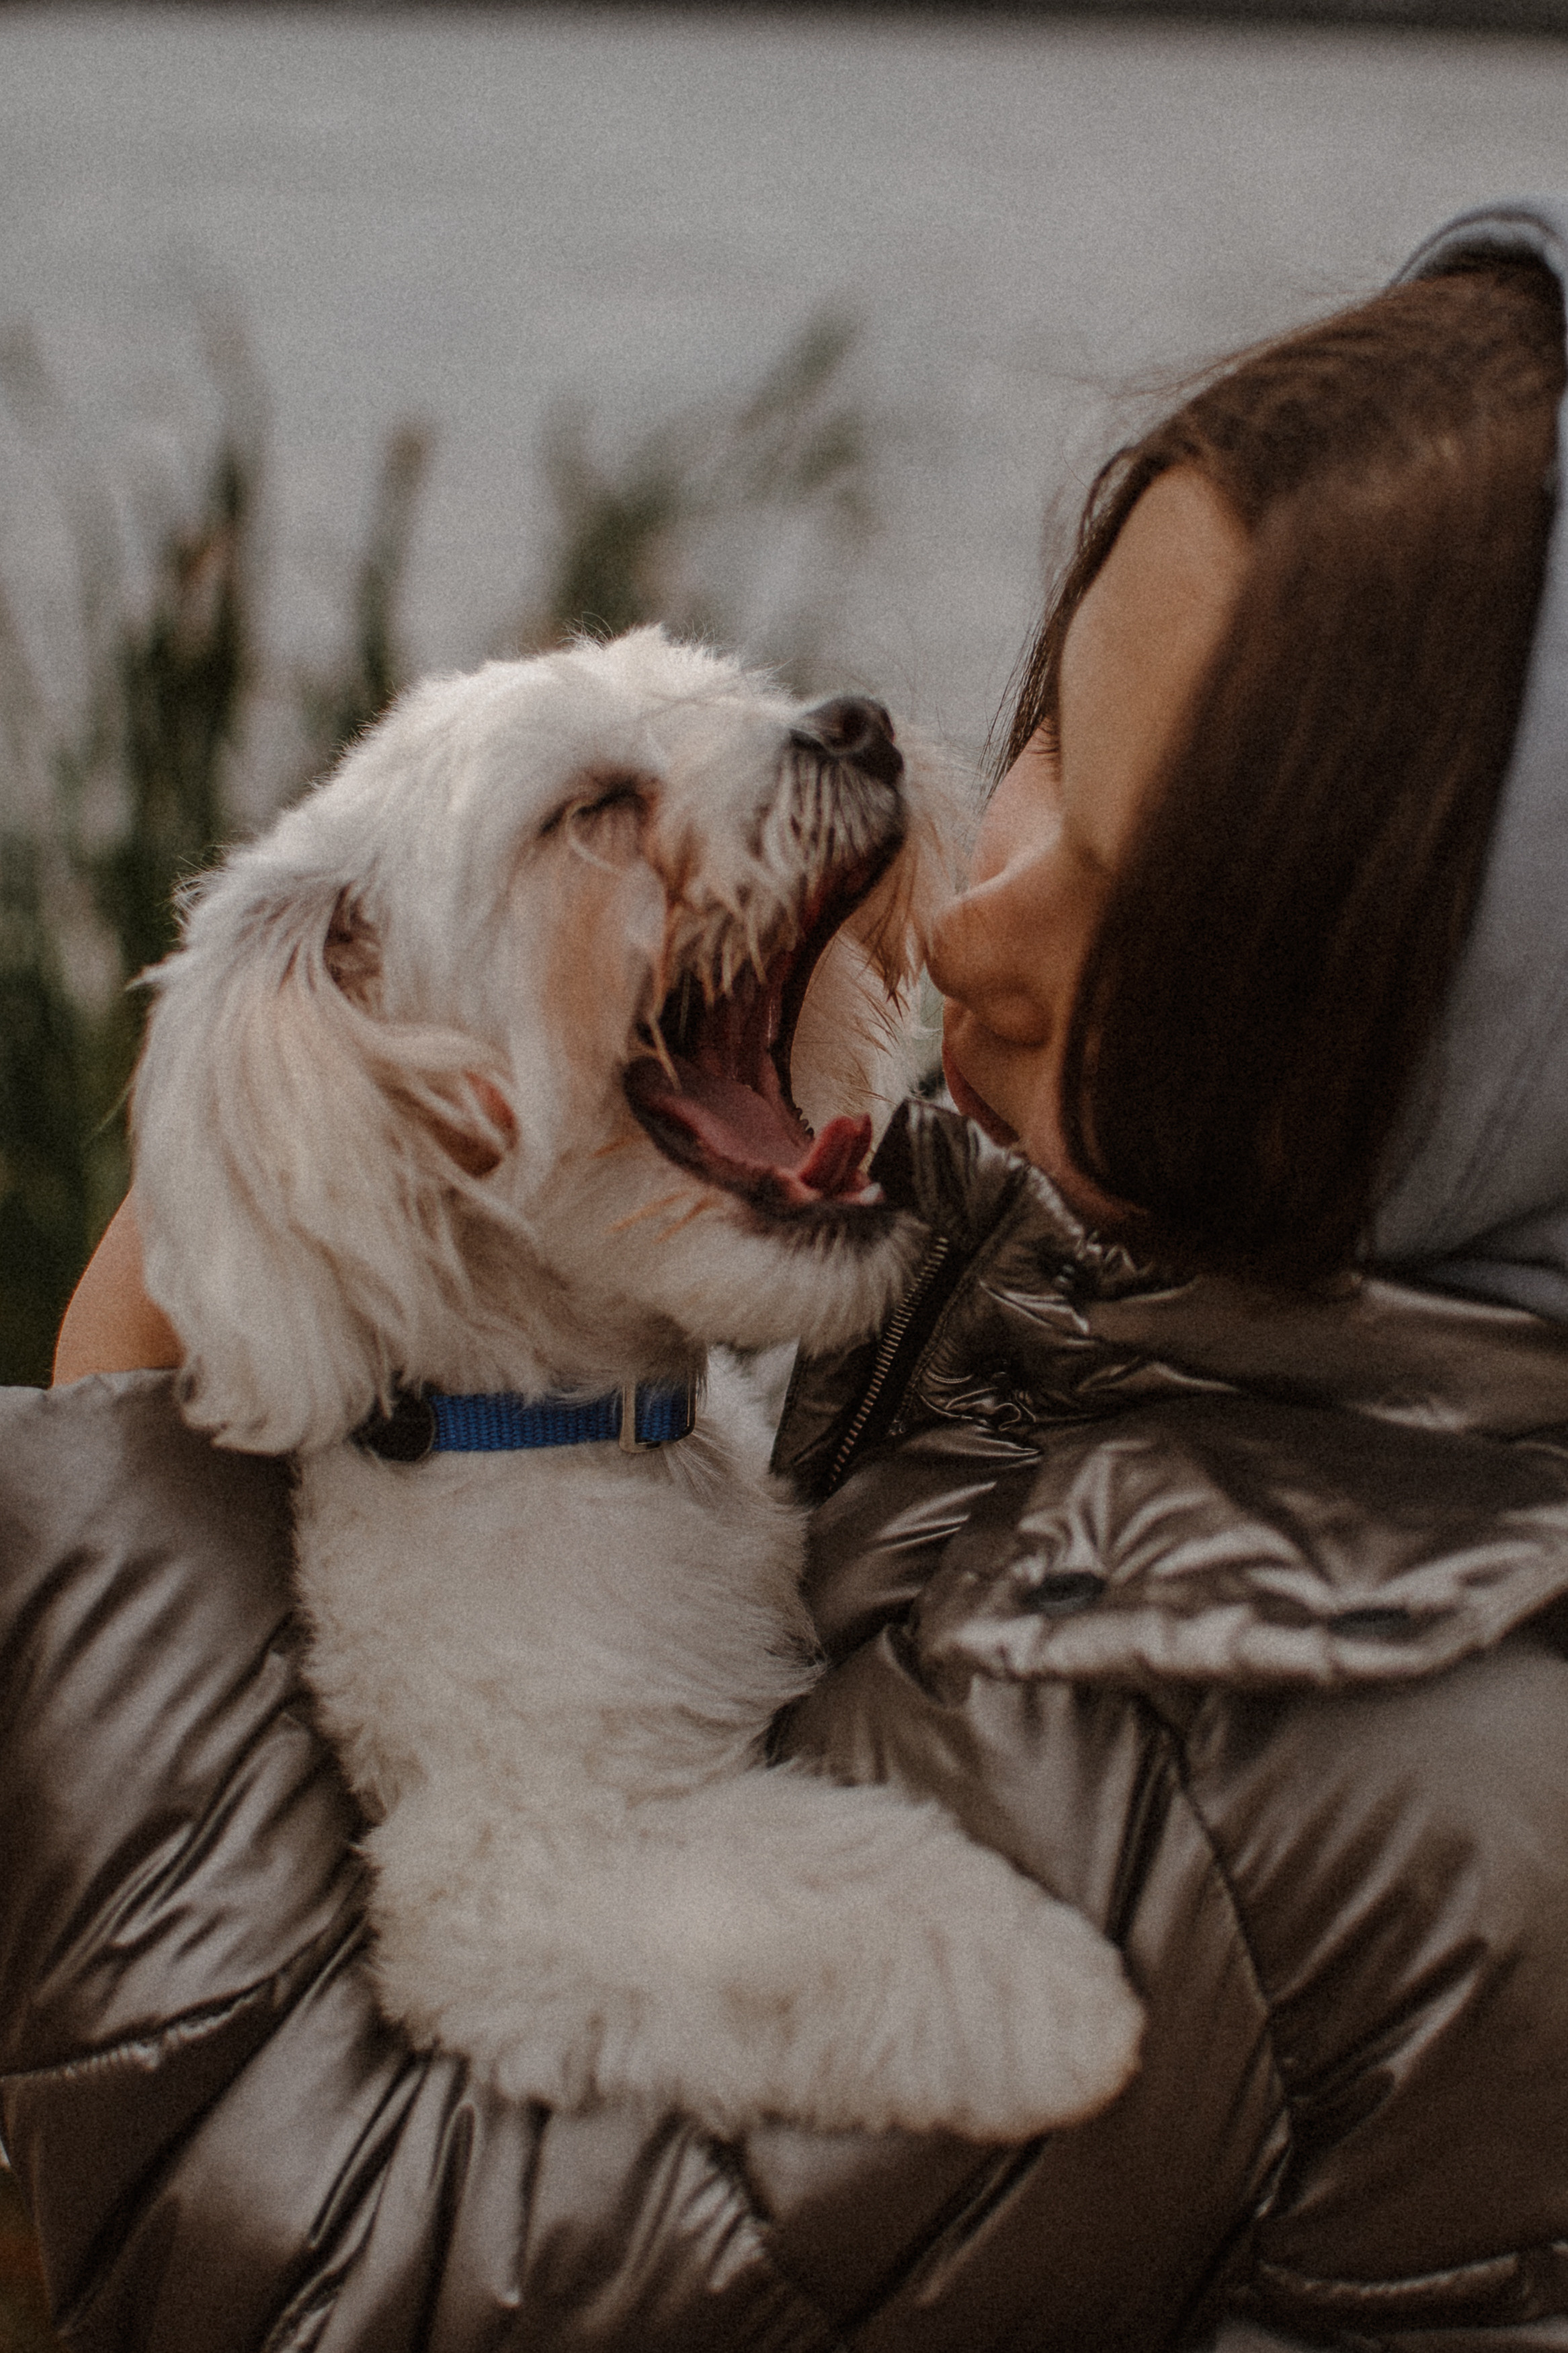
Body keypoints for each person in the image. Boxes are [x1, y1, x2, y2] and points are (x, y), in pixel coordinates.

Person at [9, 194, 1568, 2352]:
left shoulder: (1280, 1731)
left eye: (1135, 901)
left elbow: (303, 2269)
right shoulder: (1074, 1297)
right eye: (1041, 739)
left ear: (1434, 1073)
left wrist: (122, 1433)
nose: (954, 927)